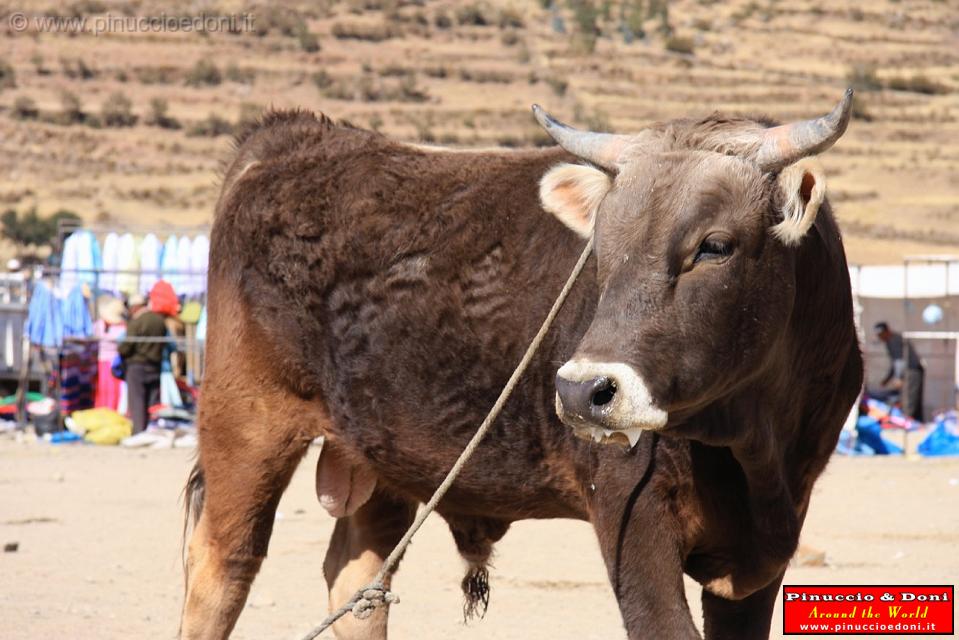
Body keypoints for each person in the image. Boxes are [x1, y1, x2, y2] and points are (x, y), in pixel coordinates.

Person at [118, 293, 168, 433]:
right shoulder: (159, 320)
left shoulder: (137, 322)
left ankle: (139, 431)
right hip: (155, 365)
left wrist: (120, 349)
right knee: (153, 401)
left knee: (137, 401)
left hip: (137, 366)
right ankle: (152, 431)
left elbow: (126, 347)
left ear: (135, 307)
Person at [874, 321, 925, 421]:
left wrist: (898, 378)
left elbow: (899, 361)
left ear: (887, 331)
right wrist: (888, 378)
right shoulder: (889, 342)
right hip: (908, 371)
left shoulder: (894, 340)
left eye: (881, 334)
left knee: (909, 398)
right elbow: (894, 362)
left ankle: (908, 422)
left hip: (912, 370)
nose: (880, 338)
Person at [94, 296, 126, 411]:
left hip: (111, 363)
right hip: (106, 362)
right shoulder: (100, 325)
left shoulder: (100, 325)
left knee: (110, 389)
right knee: (105, 388)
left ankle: (109, 409)